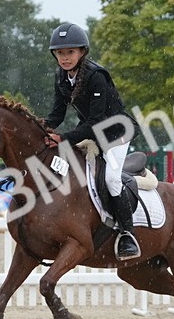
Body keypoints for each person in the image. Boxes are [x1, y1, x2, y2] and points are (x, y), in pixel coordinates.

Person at [41, 22, 140, 260]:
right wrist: (40, 129)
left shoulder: (96, 76)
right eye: (60, 53)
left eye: (70, 52)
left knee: (111, 179)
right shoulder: (61, 77)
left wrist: (63, 138)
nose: (65, 58)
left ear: (82, 52)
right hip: (91, 130)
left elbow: (97, 121)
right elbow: (57, 115)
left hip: (117, 132)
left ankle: (128, 234)